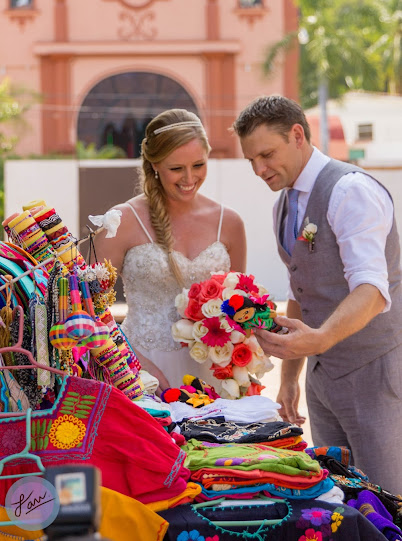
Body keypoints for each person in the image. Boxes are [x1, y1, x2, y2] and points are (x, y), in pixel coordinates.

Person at [232, 94, 402, 494]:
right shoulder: (283, 205)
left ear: (297, 135)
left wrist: (321, 339)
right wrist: (290, 378)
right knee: (339, 501)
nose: (259, 169)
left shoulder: (350, 191)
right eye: (251, 160)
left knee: (388, 499)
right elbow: (301, 289)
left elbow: (373, 289)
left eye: (267, 154)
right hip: (321, 381)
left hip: (373, 374)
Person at [96, 109, 246, 390]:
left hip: (216, 374)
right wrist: (138, 367)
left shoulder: (230, 223)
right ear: (154, 164)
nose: (189, 178)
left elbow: (238, 310)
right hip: (140, 372)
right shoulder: (121, 221)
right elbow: (88, 310)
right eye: (176, 168)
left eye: (199, 165)